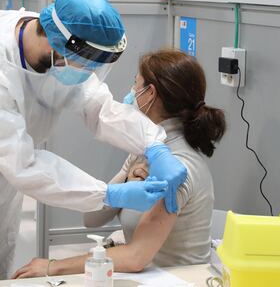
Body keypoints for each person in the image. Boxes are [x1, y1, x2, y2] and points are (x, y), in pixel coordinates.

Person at [0, 0, 187, 279]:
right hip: (11, 164)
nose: (87, 72)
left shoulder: (60, 48)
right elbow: (23, 164)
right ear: (58, 45)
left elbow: (99, 108)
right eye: (85, 63)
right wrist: (108, 194)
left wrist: (154, 144)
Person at [12, 48, 226, 277]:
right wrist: (123, 183)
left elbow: (135, 257)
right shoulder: (147, 150)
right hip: (146, 276)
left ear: (150, 93)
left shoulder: (176, 169)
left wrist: (52, 266)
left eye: (136, 84)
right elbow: (92, 219)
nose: (132, 92)